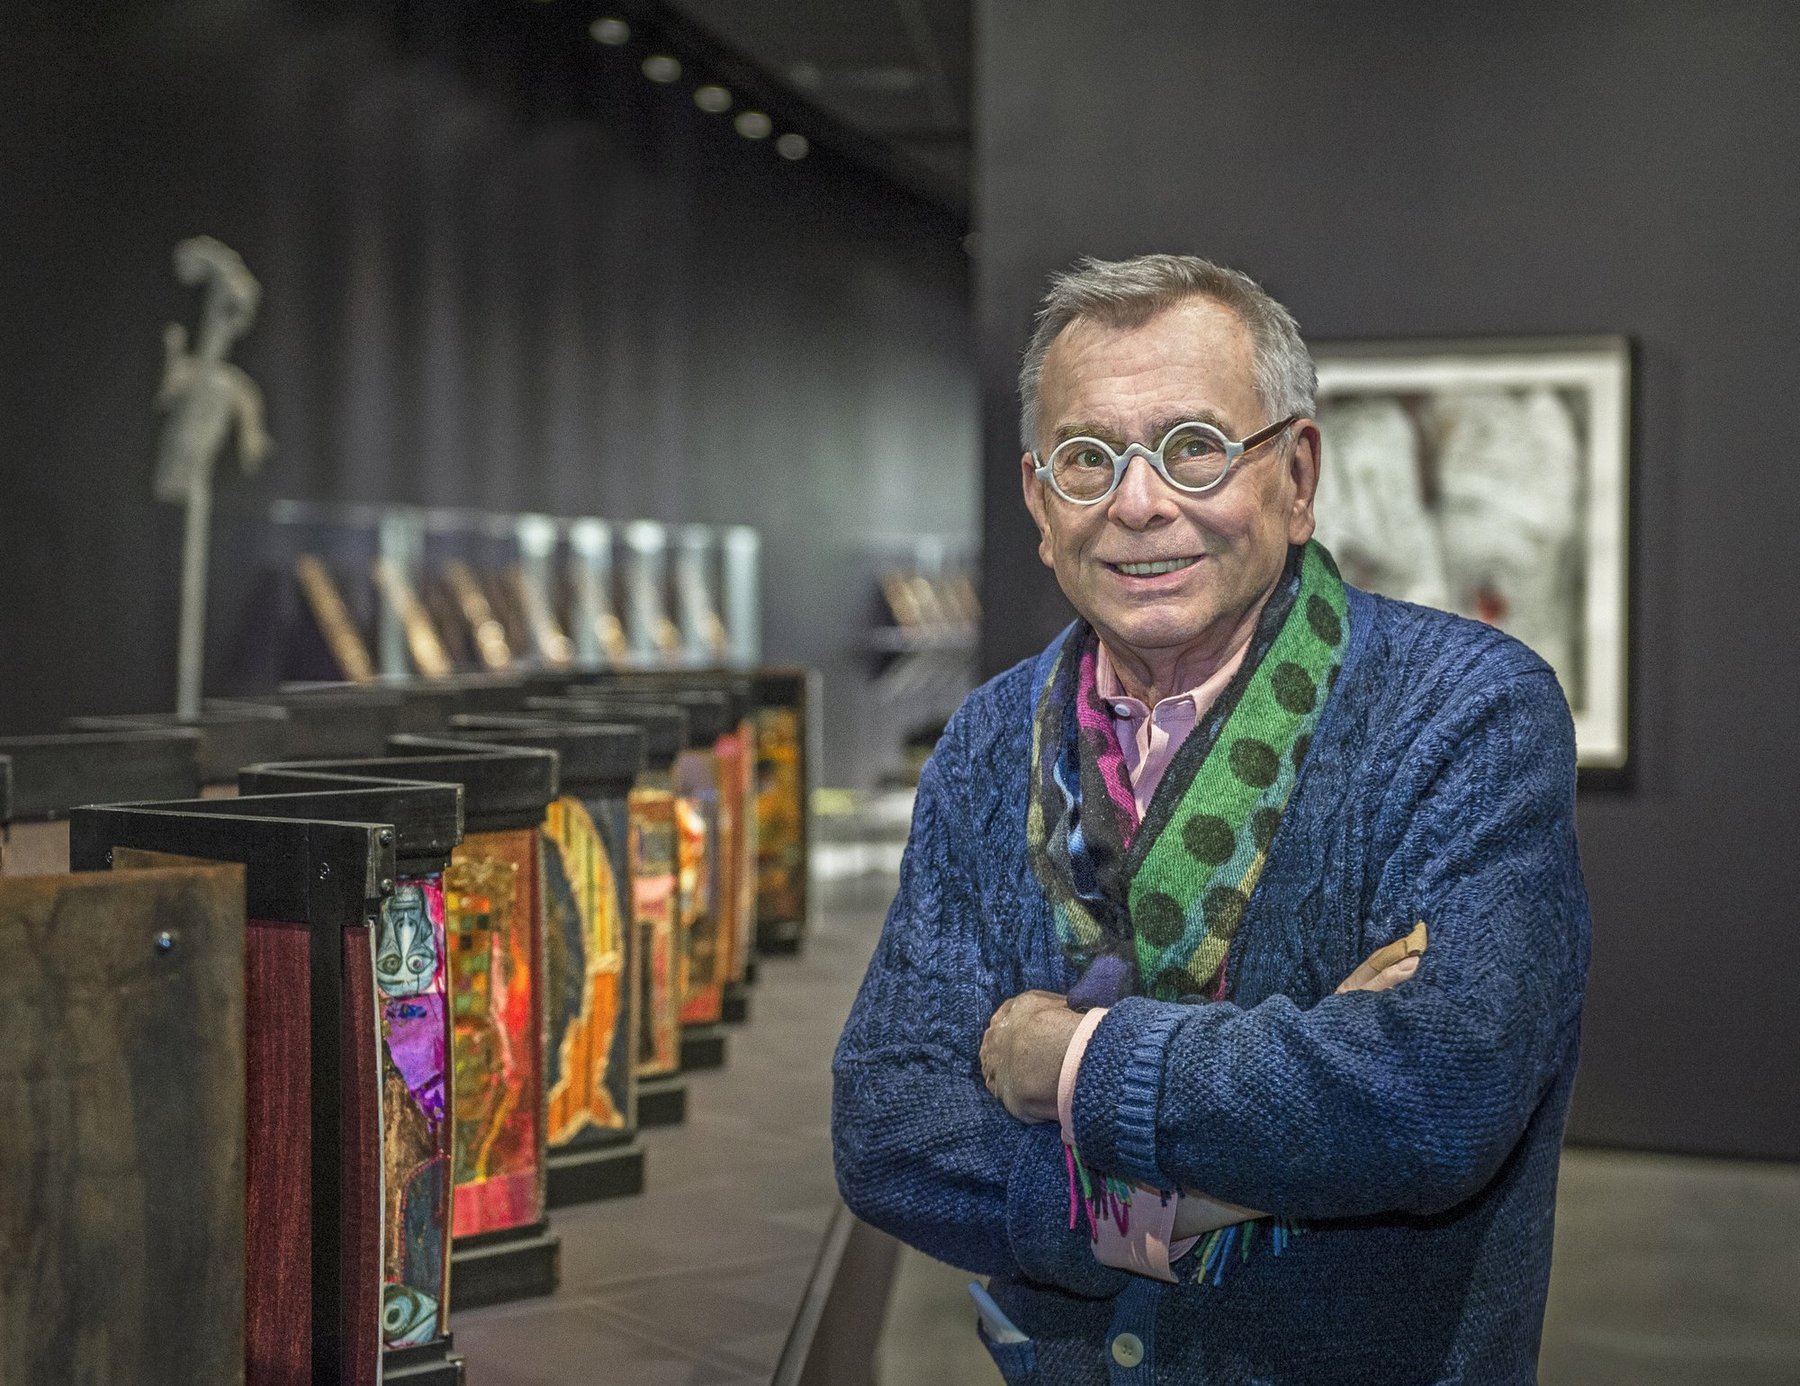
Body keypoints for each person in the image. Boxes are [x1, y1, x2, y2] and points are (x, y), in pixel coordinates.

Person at [831, 254, 1591, 1384]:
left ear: (1296, 476)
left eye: (1194, 446)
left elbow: (1437, 1090)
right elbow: (887, 1126)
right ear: (1039, 505)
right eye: (1089, 461)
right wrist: (1183, 1200)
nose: (1140, 503)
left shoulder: (1466, 710)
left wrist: (1064, 1059)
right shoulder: (994, 738)